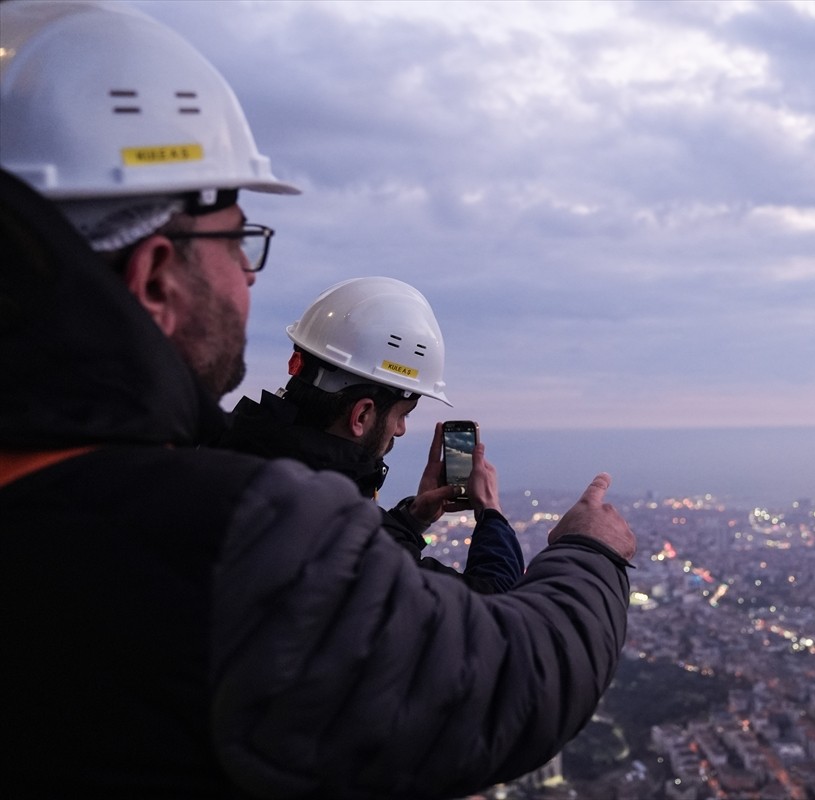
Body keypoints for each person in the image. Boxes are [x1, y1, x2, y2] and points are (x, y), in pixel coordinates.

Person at [0, 2, 636, 798]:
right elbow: (496, 682)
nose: (251, 273)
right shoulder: (231, 526)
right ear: (157, 274)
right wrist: (589, 552)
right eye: (236, 237)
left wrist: (407, 522)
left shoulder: (124, 475)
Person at [223, 276, 525, 593]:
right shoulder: (337, 538)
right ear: (362, 415)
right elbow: (493, 603)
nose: (401, 430)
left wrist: (412, 520)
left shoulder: (232, 453)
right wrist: (491, 513)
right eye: (401, 415)